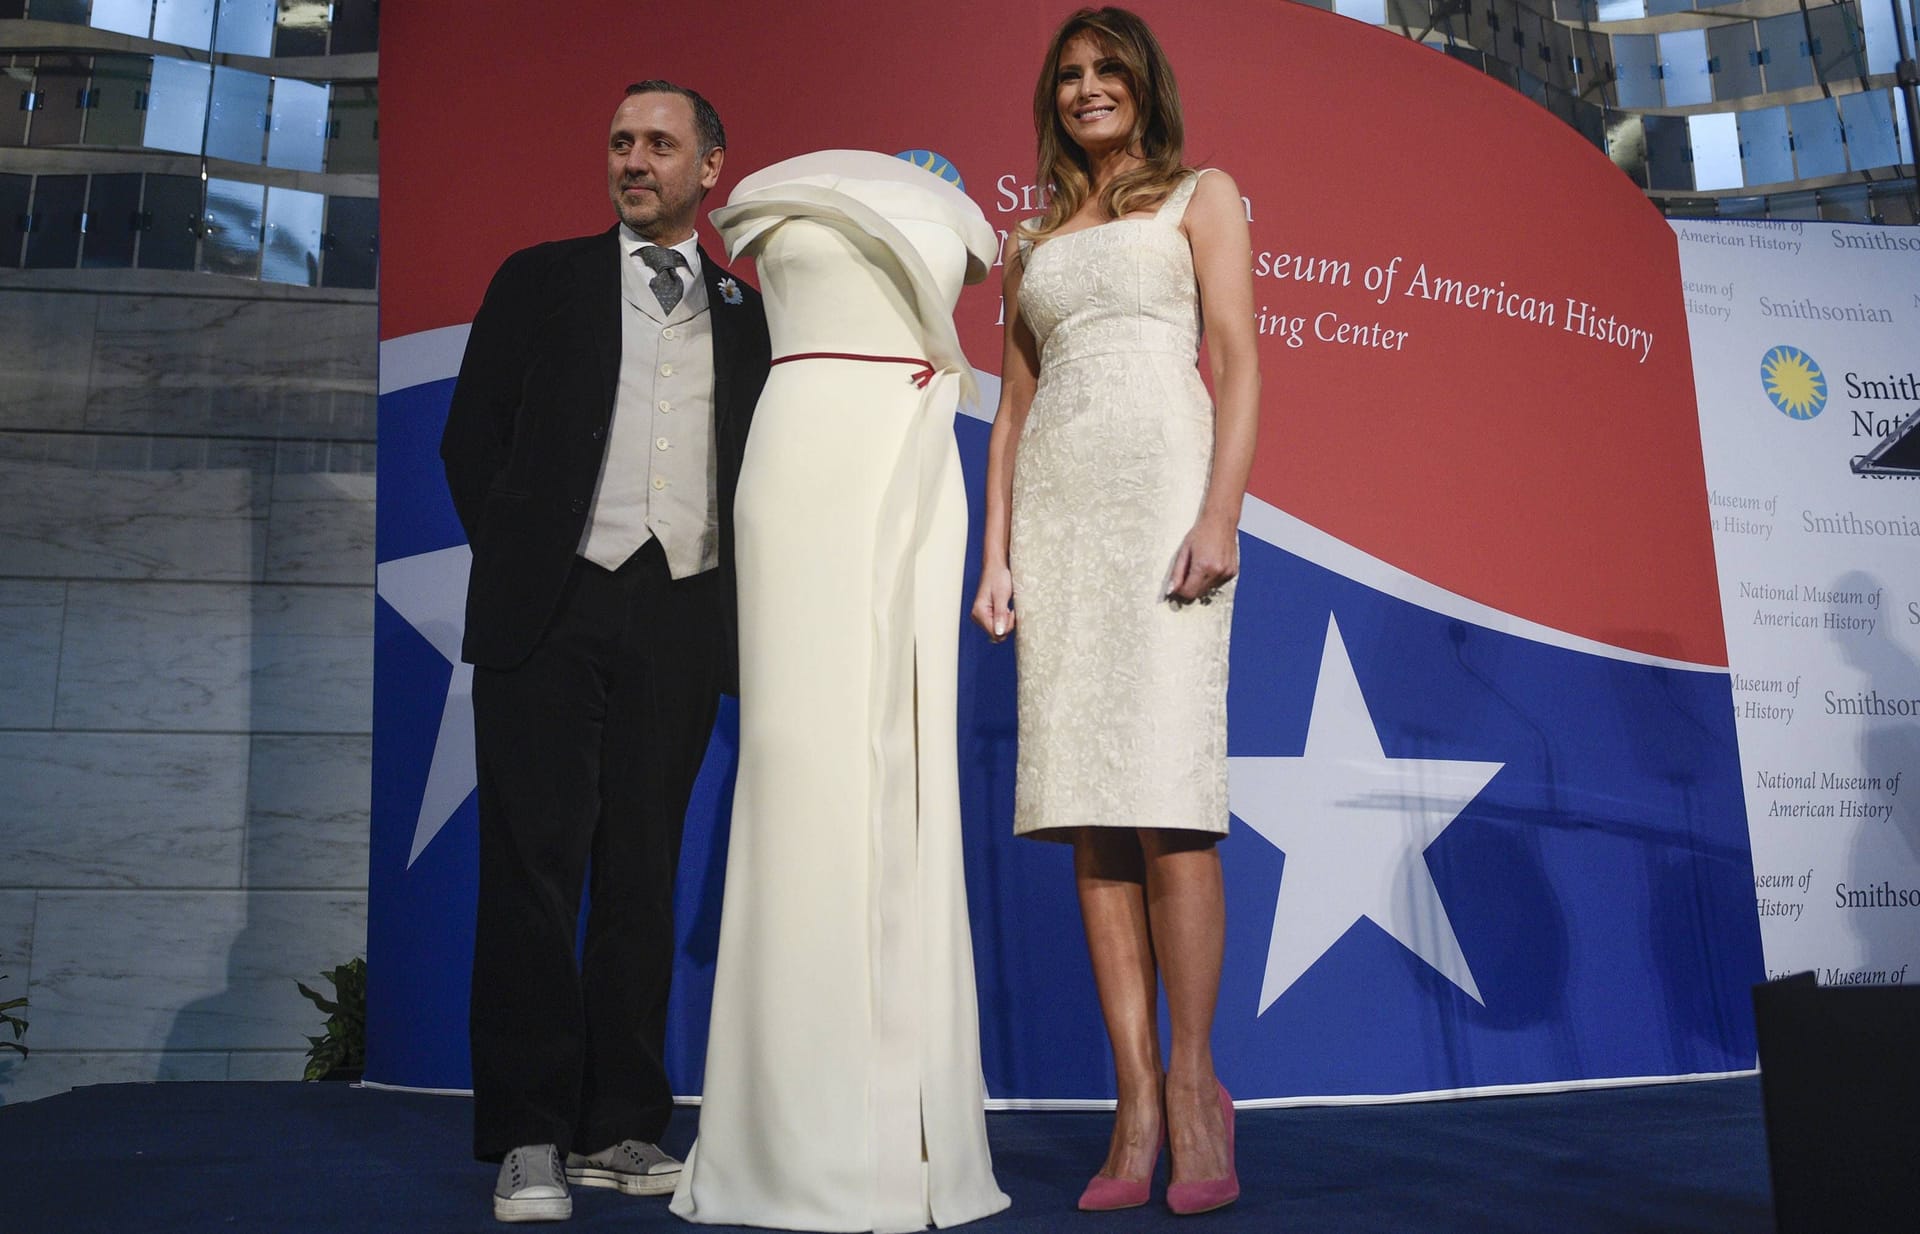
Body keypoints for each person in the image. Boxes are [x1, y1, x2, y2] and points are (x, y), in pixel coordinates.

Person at [439, 80, 770, 1224]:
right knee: (534, 870)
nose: (636, 158)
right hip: (552, 611)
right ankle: (529, 1134)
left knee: (640, 869)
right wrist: (534, 558)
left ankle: (622, 1124)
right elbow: (469, 436)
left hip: (683, 612)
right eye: (622, 141)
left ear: (709, 167)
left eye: (661, 143)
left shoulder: (750, 312)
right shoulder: (540, 279)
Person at [670, 150, 1011, 1233]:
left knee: (905, 769)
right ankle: (788, 1132)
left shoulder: (955, 213)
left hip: (908, 449)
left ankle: (907, 1132)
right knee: (797, 767)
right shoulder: (773, 199)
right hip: (798, 451)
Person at [969, 6, 1259, 1216]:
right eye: (1071, 75)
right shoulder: (1031, 240)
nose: (1090, 88)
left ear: (1143, 85)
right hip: (1062, 526)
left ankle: (1196, 1087)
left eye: (1109, 70)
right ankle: (1132, 1095)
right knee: (1091, 812)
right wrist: (996, 559)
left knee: (1169, 805)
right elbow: (1012, 417)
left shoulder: (1204, 193)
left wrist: (1220, 514)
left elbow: (1237, 357)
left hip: (1164, 506)